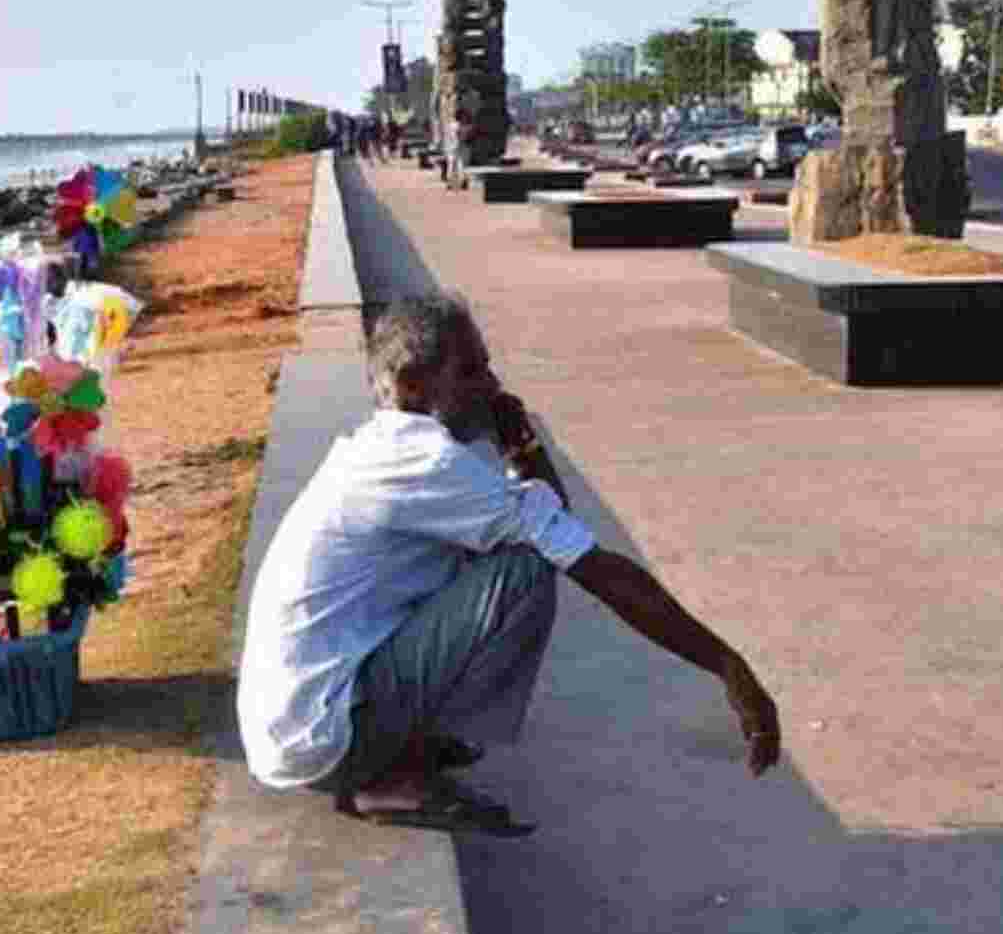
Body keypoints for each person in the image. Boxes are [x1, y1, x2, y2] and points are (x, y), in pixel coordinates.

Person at [236, 292, 784, 835]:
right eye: (470, 372)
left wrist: (519, 444)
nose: (492, 386)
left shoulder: (389, 447)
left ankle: (399, 748)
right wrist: (727, 666)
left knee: (509, 550)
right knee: (523, 570)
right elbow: (586, 562)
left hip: (298, 728)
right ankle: (392, 776)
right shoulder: (426, 462)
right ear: (412, 385)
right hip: (324, 739)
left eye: (488, 367)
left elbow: (557, 524)